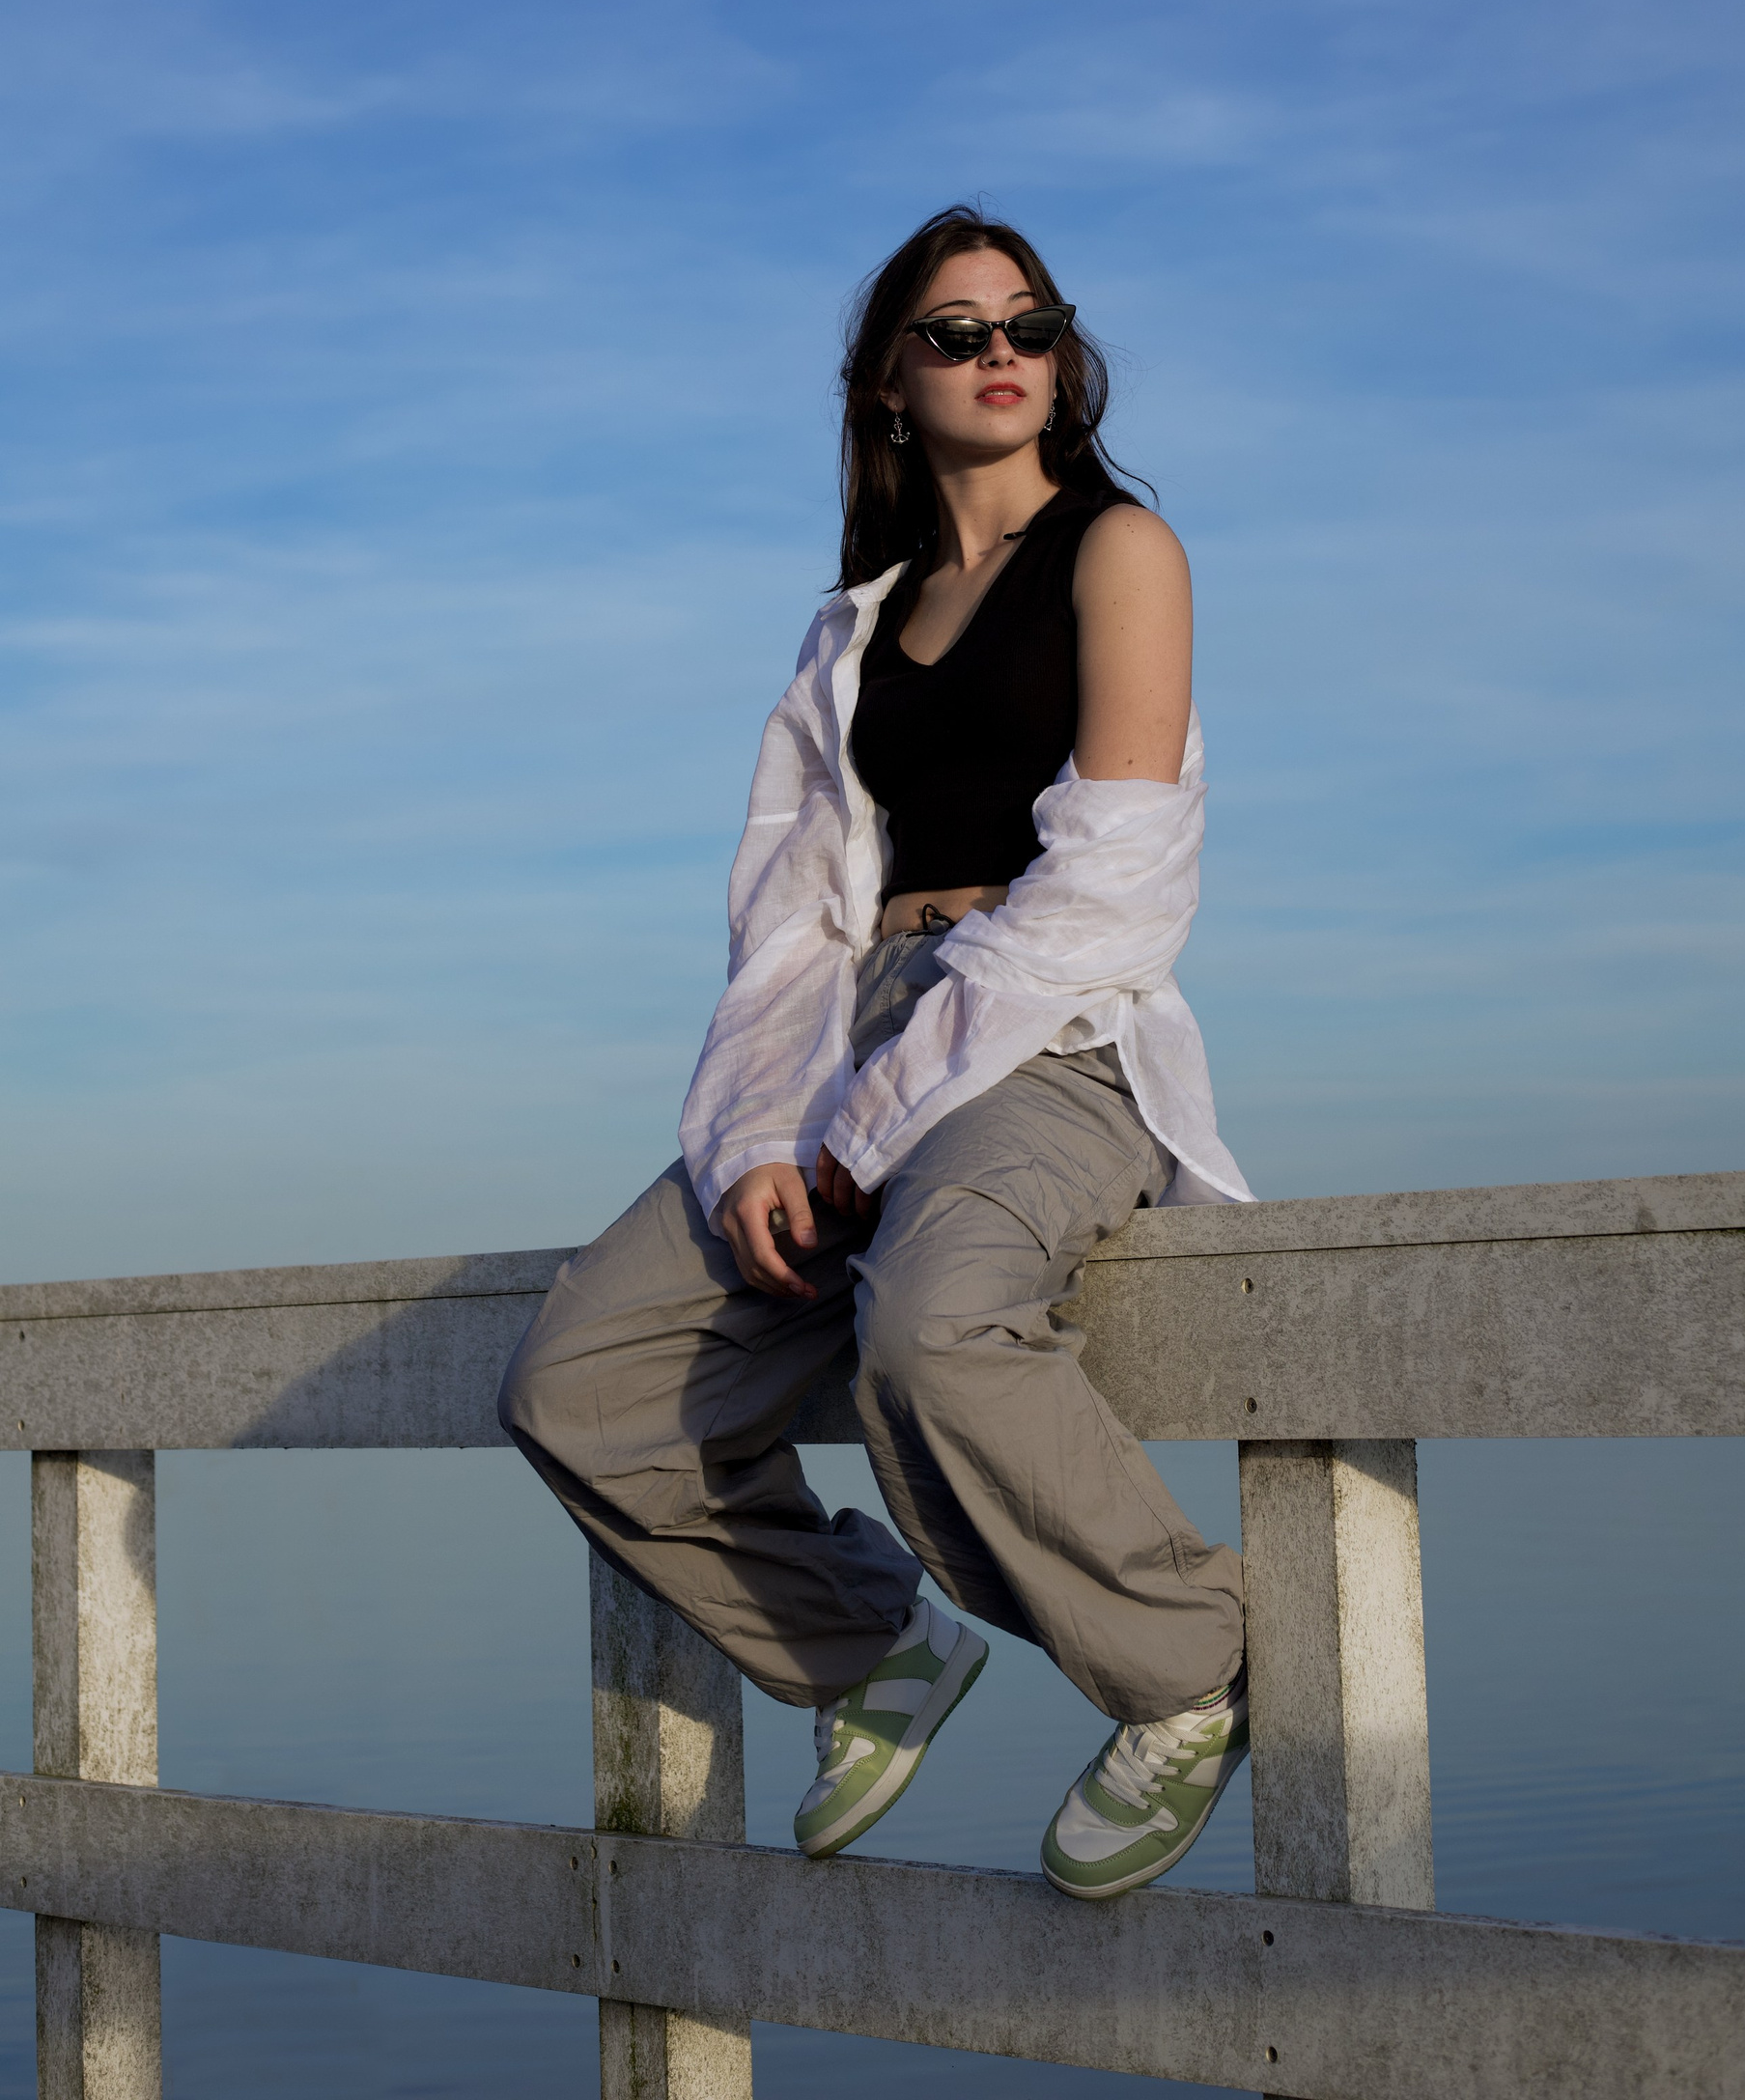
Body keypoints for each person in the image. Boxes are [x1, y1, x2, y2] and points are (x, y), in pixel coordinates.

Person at [499, 205, 1256, 1901]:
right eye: (957, 332)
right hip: (850, 1040)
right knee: (577, 1389)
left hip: (1048, 1031)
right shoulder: (851, 629)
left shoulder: (1121, 550)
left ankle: (1183, 1672)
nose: (1002, 356)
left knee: (931, 1326)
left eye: (1030, 326)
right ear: (886, 385)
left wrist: (894, 1112)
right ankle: (871, 1648)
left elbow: (1117, 882)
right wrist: (764, 1137)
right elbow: (785, 921)